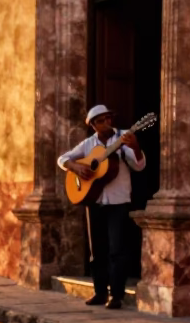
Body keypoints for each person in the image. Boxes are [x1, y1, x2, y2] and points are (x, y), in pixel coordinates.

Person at [58, 104, 145, 310]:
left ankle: (116, 296)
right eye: (101, 120)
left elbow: (140, 165)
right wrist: (76, 167)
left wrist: (135, 146)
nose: (106, 122)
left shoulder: (124, 138)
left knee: (117, 249)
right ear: (93, 125)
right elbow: (62, 159)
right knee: (96, 251)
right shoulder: (88, 144)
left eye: (108, 118)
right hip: (94, 201)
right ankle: (99, 292)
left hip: (118, 201)